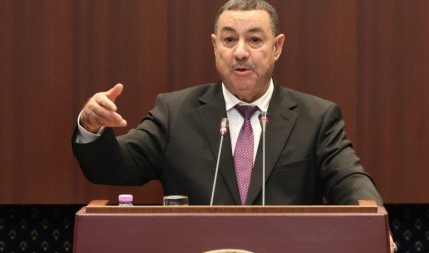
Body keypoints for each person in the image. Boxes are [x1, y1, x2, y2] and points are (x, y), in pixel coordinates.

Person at [72, 0, 383, 207]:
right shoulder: (174, 113)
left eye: (255, 40)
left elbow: (350, 180)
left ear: (277, 47)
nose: (241, 52)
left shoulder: (316, 118)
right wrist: (90, 126)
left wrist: (375, 227)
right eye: (230, 39)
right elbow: (114, 167)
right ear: (215, 45)